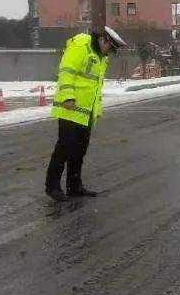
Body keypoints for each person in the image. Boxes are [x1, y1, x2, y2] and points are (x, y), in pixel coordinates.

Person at [45, 26, 126, 201]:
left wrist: (96, 111)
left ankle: (74, 185)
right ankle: (52, 187)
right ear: (104, 40)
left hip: (86, 112)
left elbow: (95, 87)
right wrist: (67, 96)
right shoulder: (81, 46)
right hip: (70, 108)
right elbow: (66, 72)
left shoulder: (100, 57)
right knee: (64, 149)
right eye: (110, 49)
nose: (110, 53)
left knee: (80, 150)